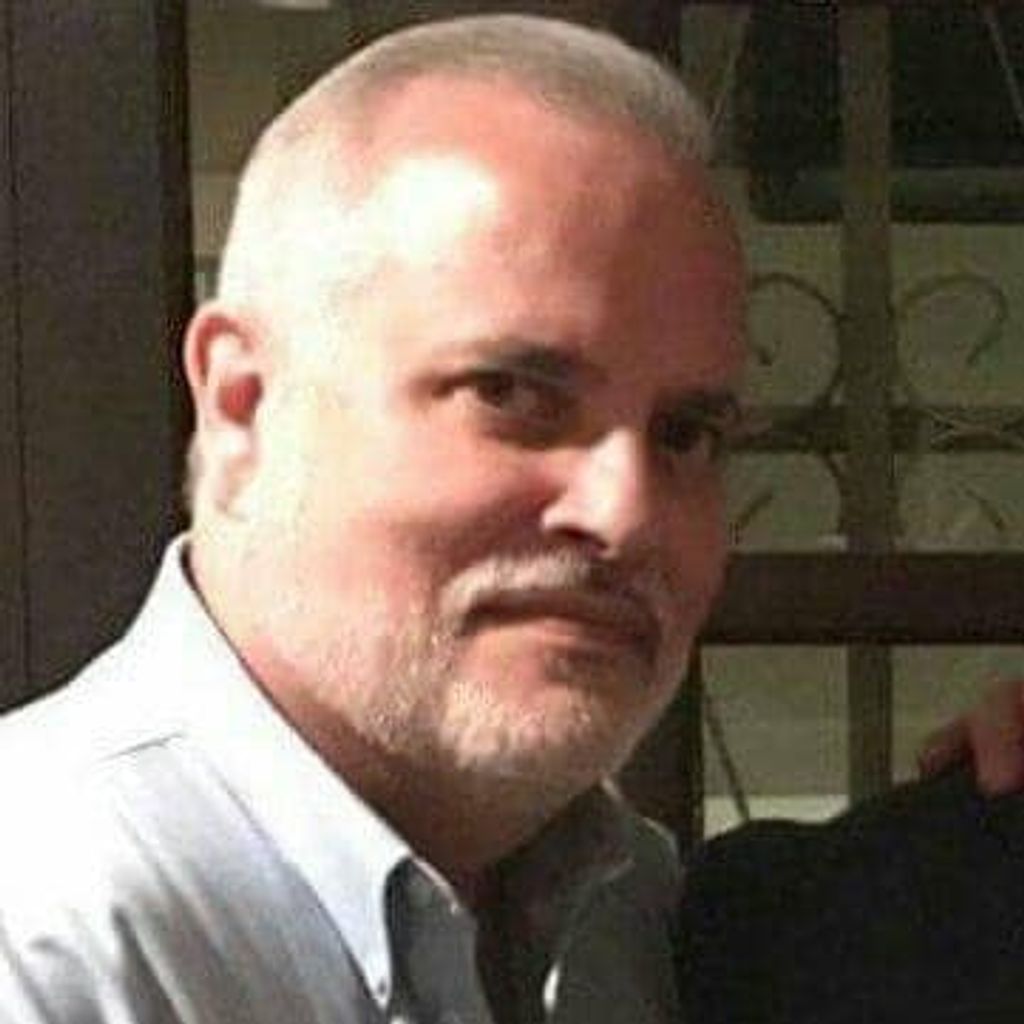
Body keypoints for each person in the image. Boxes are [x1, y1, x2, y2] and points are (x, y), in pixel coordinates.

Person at [0, 14, 745, 1023]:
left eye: (686, 434)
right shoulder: (45, 932)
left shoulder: (630, 913)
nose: (625, 513)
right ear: (242, 404)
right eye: (512, 395)